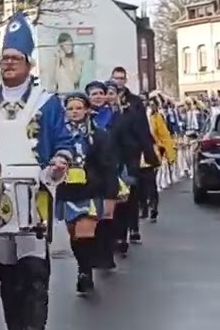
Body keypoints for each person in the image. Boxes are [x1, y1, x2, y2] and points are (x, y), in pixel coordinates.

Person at [0, 12, 74, 330]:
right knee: (8, 274)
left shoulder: (46, 103)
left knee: (34, 273)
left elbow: (63, 142)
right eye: (4, 59)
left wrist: (60, 162)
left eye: (15, 59)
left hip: (33, 198)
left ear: (29, 64)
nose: (8, 64)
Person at [58, 91, 118, 295]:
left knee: (86, 231)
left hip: (92, 190)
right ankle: (83, 264)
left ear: (87, 110)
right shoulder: (59, 136)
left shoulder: (98, 135)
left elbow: (108, 166)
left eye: (78, 108)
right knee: (74, 234)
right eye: (70, 109)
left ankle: (85, 273)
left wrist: (111, 193)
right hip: (67, 191)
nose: (74, 112)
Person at [107, 71, 157, 251]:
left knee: (131, 193)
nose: (119, 81)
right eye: (116, 78)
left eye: (121, 78)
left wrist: (149, 153)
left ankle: (132, 228)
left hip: (131, 155)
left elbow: (143, 128)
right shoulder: (105, 103)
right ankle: (116, 234)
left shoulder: (134, 102)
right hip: (111, 157)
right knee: (115, 195)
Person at [86, 81, 123, 271]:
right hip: (88, 176)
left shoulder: (115, 117)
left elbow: (125, 141)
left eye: (101, 93)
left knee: (108, 215)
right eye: (94, 94)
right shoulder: (83, 119)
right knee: (90, 217)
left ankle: (107, 254)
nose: (98, 97)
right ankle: (91, 256)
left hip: (111, 169)